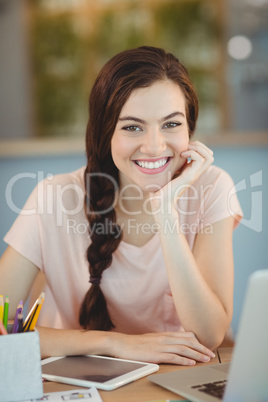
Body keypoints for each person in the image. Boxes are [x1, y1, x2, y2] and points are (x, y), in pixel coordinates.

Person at [0, 46, 242, 365]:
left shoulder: (212, 187)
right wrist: (115, 344)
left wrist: (164, 210)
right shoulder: (53, 198)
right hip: (76, 381)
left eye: (171, 124)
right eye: (132, 126)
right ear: (106, 134)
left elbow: (209, 335)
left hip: (170, 378)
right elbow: (4, 327)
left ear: (190, 130)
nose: (155, 146)